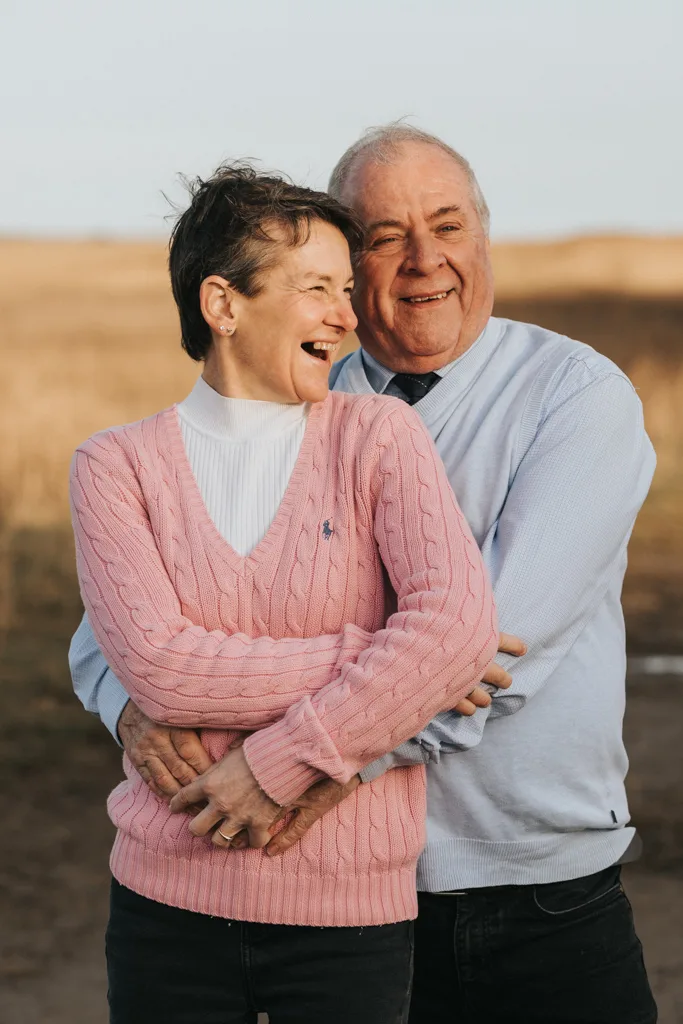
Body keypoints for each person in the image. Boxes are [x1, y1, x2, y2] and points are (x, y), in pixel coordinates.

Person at [72, 125, 658, 1023]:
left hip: (525, 883)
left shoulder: (574, 397)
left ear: (485, 238)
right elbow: (112, 630)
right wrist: (134, 704)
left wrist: (281, 763)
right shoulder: (289, 388)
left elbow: (491, 653)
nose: (424, 260)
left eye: (449, 226)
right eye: (384, 237)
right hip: (335, 899)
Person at [68, 162, 502, 1024]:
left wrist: (273, 764)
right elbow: (160, 671)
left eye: (345, 287)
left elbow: (455, 625)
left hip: (349, 916)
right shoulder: (115, 466)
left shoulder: (380, 435)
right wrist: (384, 658)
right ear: (222, 304)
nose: (346, 314)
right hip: (167, 909)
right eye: (315, 288)